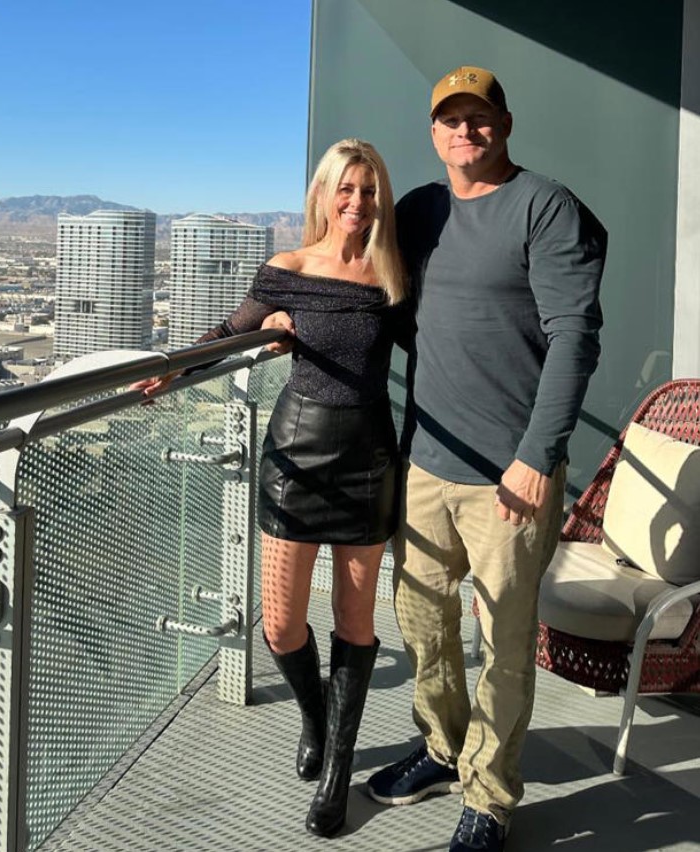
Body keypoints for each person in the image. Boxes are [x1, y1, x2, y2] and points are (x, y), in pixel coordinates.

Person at [363, 67, 607, 852]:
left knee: (503, 641)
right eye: (450, 119)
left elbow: (575, 337)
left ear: (505, 123)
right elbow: (360, 283)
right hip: (426, 462)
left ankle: (490, 797)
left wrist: (537, 456)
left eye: (479, 117)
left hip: (511, 475)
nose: (465, 131)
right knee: (421, 623)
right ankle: (443, 748)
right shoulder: (420, 211)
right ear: (433, 132)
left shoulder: (544, 206)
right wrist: (269, 315)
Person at [134, 138, 408, 837]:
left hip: (368, 457)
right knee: (281, 625)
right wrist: (171, 368)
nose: (356, 202)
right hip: (296, 454)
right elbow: (228, 334)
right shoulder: (286, 270)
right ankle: (315, 715)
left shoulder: (393, 277)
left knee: (354, 622)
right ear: (322, 196)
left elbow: (439, 351)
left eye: (368, 190)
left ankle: (338, 771)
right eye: (344, 189)